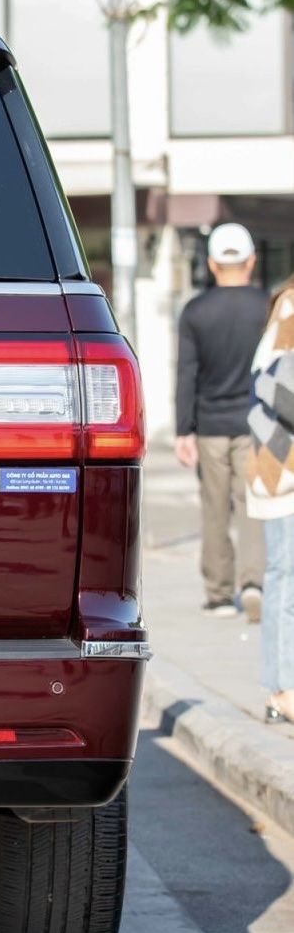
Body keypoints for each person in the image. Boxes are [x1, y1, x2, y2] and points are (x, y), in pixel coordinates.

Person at [175, 223, 267, 618]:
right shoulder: (268, 307)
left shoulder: (196, 311)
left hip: (210, 426)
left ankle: (218, 592)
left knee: (214, 509)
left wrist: (183, 429)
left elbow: (187, 374)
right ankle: (253, 583)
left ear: (212, 264)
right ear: (251, 261)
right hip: (259, 425)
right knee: (254, 507)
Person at [247, 276, 294, 722]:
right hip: (282, 465)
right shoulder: (291, 308)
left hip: (280, 461)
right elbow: (278, 387)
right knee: (285, 573)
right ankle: (281, 687)